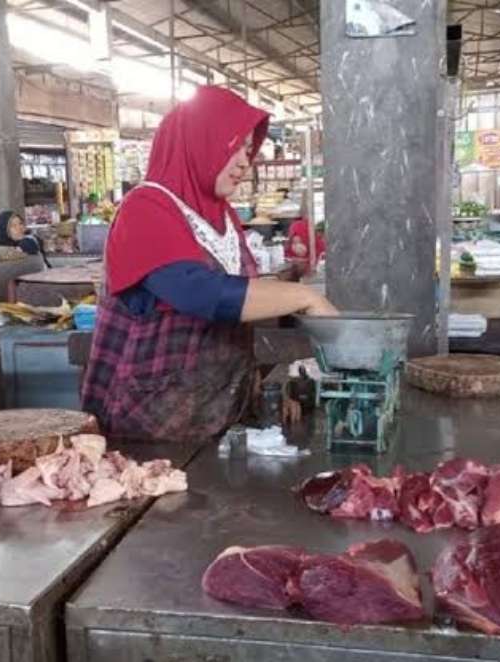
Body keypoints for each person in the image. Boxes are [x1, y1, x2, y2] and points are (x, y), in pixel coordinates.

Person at [81, 86, 338, 442]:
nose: (245, 162)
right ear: (200, 141)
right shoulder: (145, 208)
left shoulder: (224, 217)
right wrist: (304, 296)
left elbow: (231, 324)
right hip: (149, 426)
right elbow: (198, 292)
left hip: (215, 415)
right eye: (235, 147)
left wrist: (256, 391)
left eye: (250, 150)